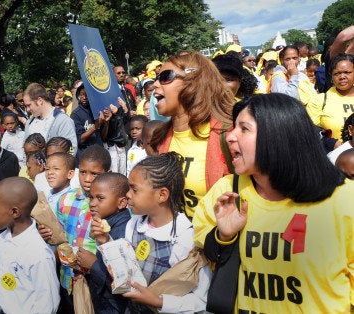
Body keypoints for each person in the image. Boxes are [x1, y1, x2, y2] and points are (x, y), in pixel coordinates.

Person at [193, 93, 352, 312]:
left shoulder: (344, 200)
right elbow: (210, 255)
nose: (230, 137)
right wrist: (224, 237)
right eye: (233, 127)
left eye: (244, 129)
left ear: (278, 135)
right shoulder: (227, 192)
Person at [120, 152, 211, 313]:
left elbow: (201, 301)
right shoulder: (133, 224)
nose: (127, 194)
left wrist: (158, 301)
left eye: (134, 189)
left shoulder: (186, 239)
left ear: (162, 195)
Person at [149, 52, 235, 218]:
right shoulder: (160, 138)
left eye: (165, 77)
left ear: (193, 82)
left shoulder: (229, 135)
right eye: (156, 77)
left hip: (220, 240)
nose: (155, 85)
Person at [43, 145, 111, 307]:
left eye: (95, 174)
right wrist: (47, 233)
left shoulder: (111, 205)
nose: (87, 179)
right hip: (68, 277)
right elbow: (59, 236)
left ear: (107, 174)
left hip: (96, 279)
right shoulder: (65, 200)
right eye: (83, 172)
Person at [0, 177, 60, 313]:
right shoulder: (3, 238)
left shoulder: (39, 254)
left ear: (15, 212)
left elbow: (47, 304)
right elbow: (2, 279)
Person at [81, 173, 132, 314]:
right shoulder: (106, 222)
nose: (92, 203)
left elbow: (125, 282)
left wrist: (93, 265)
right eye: (91, 197)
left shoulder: (123, 231)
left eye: (100, 198)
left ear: (121, 202)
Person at [307, 53, 354, 141]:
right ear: (331, 76)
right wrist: (333, 144)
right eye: (337, 73)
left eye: (347, 72)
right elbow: (310, 133)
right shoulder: (319, 101)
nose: (342, 77)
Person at [23, 83, 78, 155]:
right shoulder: (30, 123)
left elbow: (71, 151)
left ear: (40, 101)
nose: (27, 109)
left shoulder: (63, 121)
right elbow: (25, 151)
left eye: (29, 105)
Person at [70, 85, 108, 158]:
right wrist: (95, 127)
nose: (84, 98)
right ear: (78, 96)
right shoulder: (76, 114)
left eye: (87, 95)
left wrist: (106, 122)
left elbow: (103, 136)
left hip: (99, 152)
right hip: (85, 155)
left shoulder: (98, 111)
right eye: (82, 94)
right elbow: (80, 139)